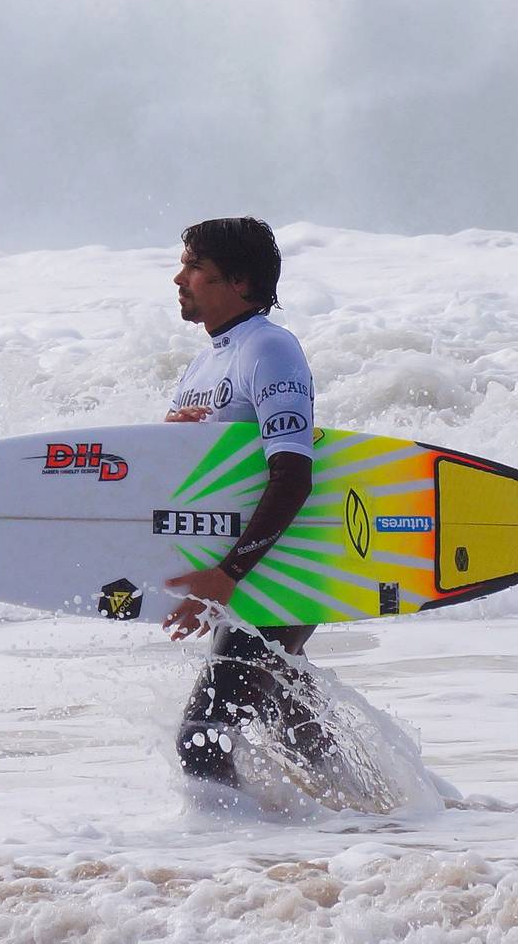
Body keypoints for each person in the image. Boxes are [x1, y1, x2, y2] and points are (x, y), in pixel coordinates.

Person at [158, 217, 329, 790]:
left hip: (275, 569)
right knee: (291, 724)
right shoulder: (204, 364)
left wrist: (229, 574)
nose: (179, 278)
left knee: (201, 738)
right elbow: (217, 474)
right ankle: (384, 820)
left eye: (195, 267)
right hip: (240, 568)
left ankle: (230, 863)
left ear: (239, 281)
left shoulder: (271, 349)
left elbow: (292, 475)